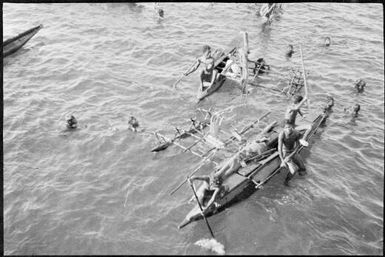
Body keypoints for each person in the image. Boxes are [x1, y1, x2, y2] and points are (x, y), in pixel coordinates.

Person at [278, 121, 307, 186]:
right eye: (286, 127)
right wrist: (282, 161)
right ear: (284, 128)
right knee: (294, 170)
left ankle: (302, 183)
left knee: (303, 169)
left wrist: (291, 156)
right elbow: (279, 148)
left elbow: (297, 146)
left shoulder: (296, 133)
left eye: (290, 127)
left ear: (292, 127)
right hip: (285, 152)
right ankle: (286, 182)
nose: (288, 129)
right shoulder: (282, 134)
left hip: (293, 151)